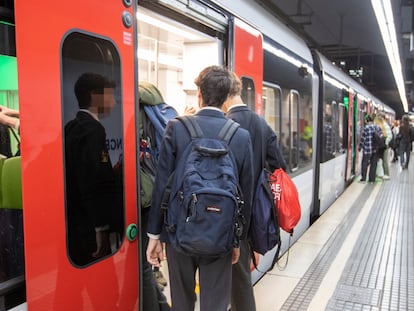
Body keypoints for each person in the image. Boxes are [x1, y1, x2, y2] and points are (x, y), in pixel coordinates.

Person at [146, 65, 254, 311]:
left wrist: (154, 235)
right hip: (221, 236)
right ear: (227, 97)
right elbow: (244, 196)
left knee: (182, 302)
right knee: (215, 305)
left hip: (178, 233)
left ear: (199, 94)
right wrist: (236, 240)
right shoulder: (240, 136)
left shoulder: (177, 127)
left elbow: (161, 183)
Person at [222, 71, 286, 311]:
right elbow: (279, 166)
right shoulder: (261, 124)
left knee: (236, 283)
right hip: (251, 214)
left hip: (226, 213)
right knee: (239, 278)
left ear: (224, 95)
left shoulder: (224, 124)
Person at [64, 73, 118, 266]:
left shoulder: (71, 127)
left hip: (74, 220)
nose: (114, 102)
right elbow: (93, 180)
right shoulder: (93, 130)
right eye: (110, 95)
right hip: (89, 225)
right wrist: (100, 227)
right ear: (95, 96)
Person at [358, 114, 382, 184]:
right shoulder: (377, 127)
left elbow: (363, 139)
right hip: (375, 149)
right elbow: (380, 137)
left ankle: (363, 179)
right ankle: (372, 180)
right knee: (373, 165)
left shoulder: (366, 128)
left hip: (367, 150)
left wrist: (360, 147)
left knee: (364, 164)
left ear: (366, 120)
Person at [374, 114, 392, 180]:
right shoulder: (379, 125)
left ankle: (386, 174)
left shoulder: (385, 126)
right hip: (380, 146)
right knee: (379, 160)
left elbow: (390, 136)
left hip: (384, 146)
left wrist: (385, 143)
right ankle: (378, 173)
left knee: (384, 160)